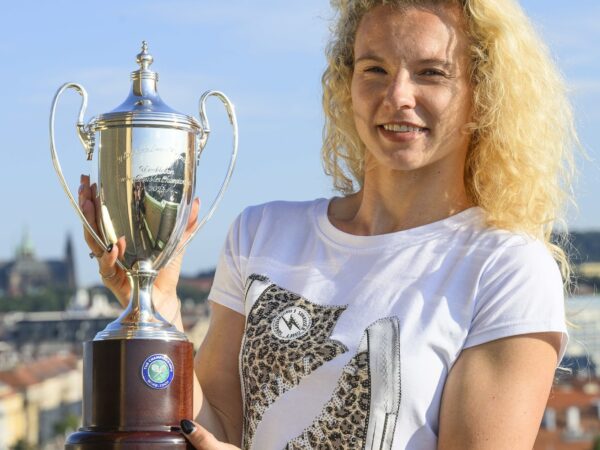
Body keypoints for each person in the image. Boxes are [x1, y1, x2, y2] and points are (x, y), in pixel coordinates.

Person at [79, 0, 578, 448]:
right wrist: (156, 311)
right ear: (346, 83)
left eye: (431, 73)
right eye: (375, 68)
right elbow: (219, 428)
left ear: (482, 93)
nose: (397, 94)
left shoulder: (506, 269)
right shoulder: (262, 234)